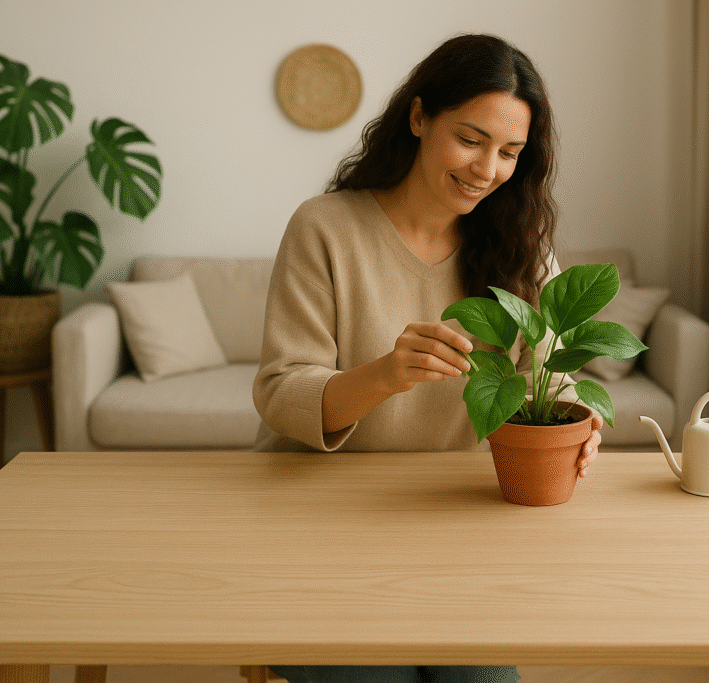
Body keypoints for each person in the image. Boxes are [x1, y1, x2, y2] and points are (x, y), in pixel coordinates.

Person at [253, 33, 602, 683]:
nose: (487, 168)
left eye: (509, 153)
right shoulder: (324, 227)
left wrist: (579, 421)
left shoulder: (521, 246)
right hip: (315, 530)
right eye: (470, 139)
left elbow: (553, 379)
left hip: (454, 531)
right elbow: (280, 389)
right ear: (418, 118)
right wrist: (386, 374)